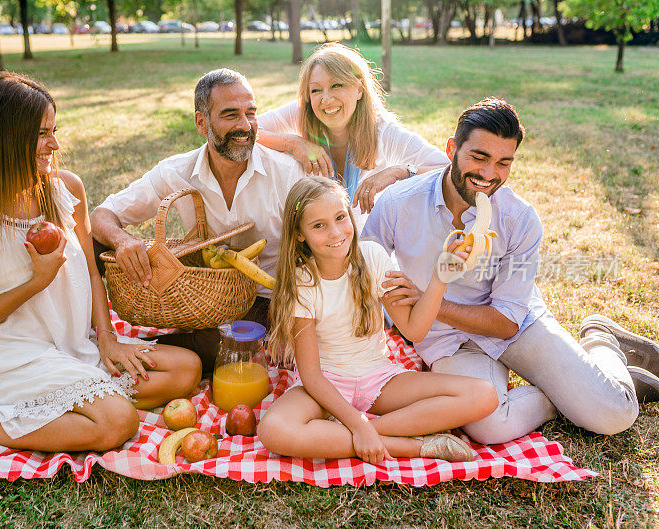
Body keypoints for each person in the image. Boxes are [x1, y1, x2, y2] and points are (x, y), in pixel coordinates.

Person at [0, 72, 201, 452]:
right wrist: (35, 282)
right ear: (6, 138)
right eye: (42, 134)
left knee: (186, 369)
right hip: (10, 355)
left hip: (70, 344)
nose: (55, 144)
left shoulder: (67, 188)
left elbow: (93, 274)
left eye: (53, 130)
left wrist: (108, 341)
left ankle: (68, 405)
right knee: (117, 422)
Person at [362, 97, 650, 445]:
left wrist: (429, 301)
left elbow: (508, 322)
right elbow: (366, 267)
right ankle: (560, 398)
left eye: (503, 163)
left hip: (517, 326)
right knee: (489, 427)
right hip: (449, 342)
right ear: (452, 148)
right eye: (479, 157)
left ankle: (601, 341)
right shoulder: (396, 204)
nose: (488, 174)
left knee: (614, 415)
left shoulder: (519, 219)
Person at [256, 176, 498, 464]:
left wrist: (439, 278)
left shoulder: (372, 256)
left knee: (484, 394)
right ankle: (412, 446)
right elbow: (312, 376)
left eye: (340, 218)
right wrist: (357, 424)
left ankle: (353, 434)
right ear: (299, 234)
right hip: (325, 386)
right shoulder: (302, 282)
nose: (335, 233)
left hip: (379, 380)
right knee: (274, 430)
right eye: (318, 226)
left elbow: (414, 330)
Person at [90, 68, 306, 372]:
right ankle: (99, 335)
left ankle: (139, 355)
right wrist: (123, 240)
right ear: (201, 123)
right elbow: (102, 215)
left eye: (251, 113)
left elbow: (322, 249)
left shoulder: (287, 174)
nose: (245, 126)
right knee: (94, 242)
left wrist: (294, 316)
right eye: (230, 115)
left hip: (265, 298)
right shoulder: (175, 172)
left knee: (225, 344)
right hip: (199, 294)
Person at [256, 42, 449, 217]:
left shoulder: (383, 132)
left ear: (359, 88)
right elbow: (248, 129)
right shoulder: (305, 111)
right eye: (315, 90)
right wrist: (294, 142)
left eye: (336, 85)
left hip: (368, 247)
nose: (326, 99)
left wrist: (399, 171)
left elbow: (449, 170)